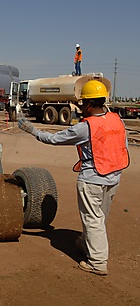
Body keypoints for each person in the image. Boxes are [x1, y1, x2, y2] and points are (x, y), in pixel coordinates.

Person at [18, 80, 129, 276]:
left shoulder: (85, 127)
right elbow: (122, 147)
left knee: (92, 220)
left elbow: (54, 139)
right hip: (113, 177)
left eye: (81, 103)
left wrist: (33, 130)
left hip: (93, 179)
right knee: (99, 218)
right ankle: (88, 245)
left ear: (87, 104)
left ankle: (97, 262)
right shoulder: (116, 120)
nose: (80, 107)